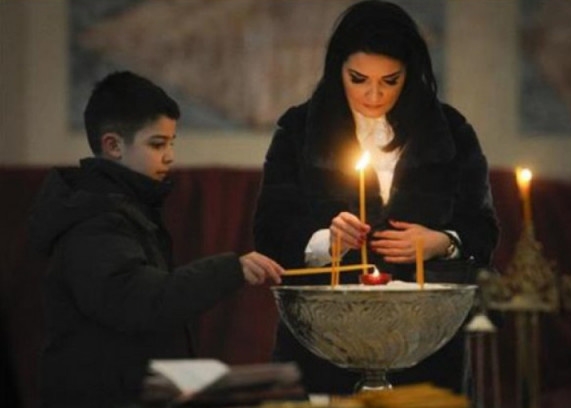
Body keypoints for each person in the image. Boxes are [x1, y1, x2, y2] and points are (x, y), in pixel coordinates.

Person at [253, 0, 499, 395]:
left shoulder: (450, 130)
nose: (373, 94)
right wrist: (326, 242)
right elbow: (269, 231)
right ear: (337, 70)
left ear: (410, 74)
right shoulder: (299, 129)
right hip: (324, 343)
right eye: (358, 79)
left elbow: (483, 228)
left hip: (425, 343)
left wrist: (442, 242)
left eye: (390, 80)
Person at [28, 71, 284, 408]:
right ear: (113, 145)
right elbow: (142, 301)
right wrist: (231, 269)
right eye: (157, 144)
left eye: (171, 143)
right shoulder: (94, 223)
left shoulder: (123, 209)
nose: (169, 156)